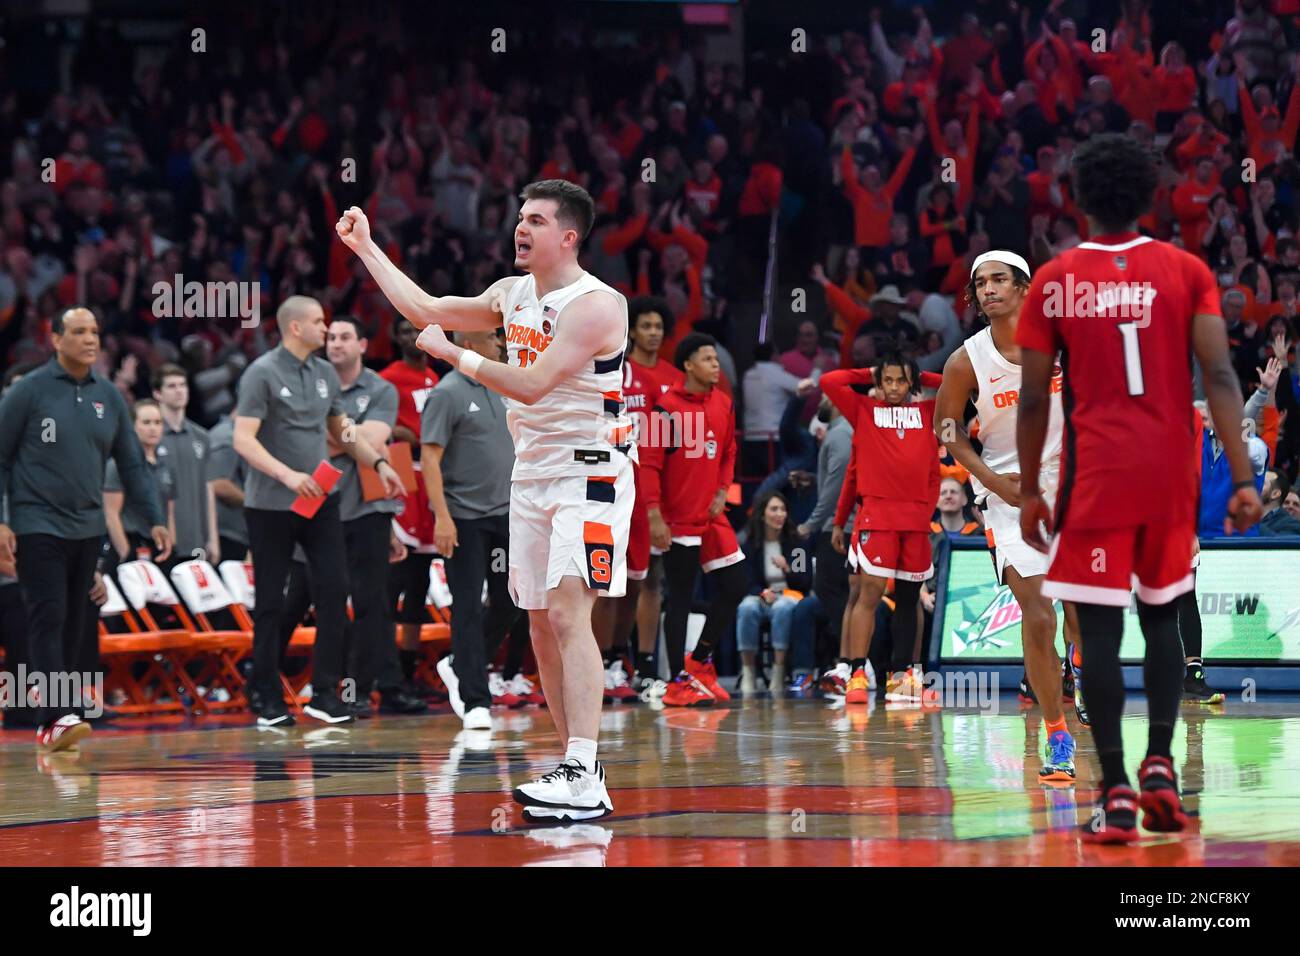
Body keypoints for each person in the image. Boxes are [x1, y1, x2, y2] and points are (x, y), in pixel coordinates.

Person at [339, 179, 629, 823]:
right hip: (532, 472)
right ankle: (575, 769)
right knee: (536, 624)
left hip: (592, 471)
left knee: (565, 612)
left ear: (568, 236)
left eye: (534, 220)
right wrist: (367, 249)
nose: (519, 228)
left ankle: (584, 767)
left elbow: (528, 384)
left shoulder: (597, 305)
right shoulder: (509, 293)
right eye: (518, 217)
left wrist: (455, 358)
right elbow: (424, 308)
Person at [1015, 133, 1262, 844]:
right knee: (1161, 621)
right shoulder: (1185, 269)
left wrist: (1031, 489)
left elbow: (1034, 402)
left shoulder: (1055, 280)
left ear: (1078, 199)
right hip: (1167, 474)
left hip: (1095, 477)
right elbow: (1218, 377)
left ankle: (1114, 788)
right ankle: (1162, 765)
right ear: (1151, 195)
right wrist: (1243, 479)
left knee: (1098, 631)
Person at [934, 249, 1081, 783]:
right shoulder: (965, 361)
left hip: (1073, 482)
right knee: (1038, 614)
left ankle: (1079, 666)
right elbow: (946, 431)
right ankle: (1057, 735)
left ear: (1024, 289)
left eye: (1000, 280)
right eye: (980, 283)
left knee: (1080, 608)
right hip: (1008, 492)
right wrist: (994, 483)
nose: (989, 289)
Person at [0, 307, 172, 751]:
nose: (90, 340)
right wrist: (3, 518)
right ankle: (53, 716)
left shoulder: (110, 397)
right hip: (36, 521)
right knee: (48, 614)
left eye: (94, 332)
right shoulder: (29, 392)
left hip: (87, 524)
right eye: (78, 332)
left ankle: (63, 709)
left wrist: (154, 516)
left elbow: (132, 463)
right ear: (55, 340)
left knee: (77, 620)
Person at [232, 295, 405, 728]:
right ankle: (266, 695)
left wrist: (380, 463)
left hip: (319, 497)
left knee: (334, 590)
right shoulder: (262, 373)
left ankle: (324, 694)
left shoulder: (325, 373)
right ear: (294, 328)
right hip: (272, 503)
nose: (325, 329)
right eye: (317, 322)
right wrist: (288, 475)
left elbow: (343, 431)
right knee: (271, 600)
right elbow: (243, 439)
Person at [820, 352, 941, 705]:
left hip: (916, 521)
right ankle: (857, 672)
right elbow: (830, 381)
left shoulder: (928, 413)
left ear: (911, 384)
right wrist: (872, 369)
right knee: (868, 595)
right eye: (886, 380)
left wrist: (919, 375)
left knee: (908, 600)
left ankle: (903, 679)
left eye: (900, 381)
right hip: (877, 517)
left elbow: (960, 384)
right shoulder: (863, 411)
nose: (892, 387)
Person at [639, 332, 749, 708]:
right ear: (688, 365)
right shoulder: (663, 409)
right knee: (681, 597)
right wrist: (654, 514)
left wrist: (723, 490)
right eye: (707, 358)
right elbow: (649, 466)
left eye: (716, 358)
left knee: (736, 584)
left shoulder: (724, 403)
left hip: (711, 514)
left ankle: (699, 661)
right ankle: (675, 683)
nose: (715, 364)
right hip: (677, 517)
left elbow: (729, 452)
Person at [324, 316, 426, 717]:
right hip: (323, 507)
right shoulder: (313, 385)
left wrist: (334, 438)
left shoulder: (380, 386)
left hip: (371, 506)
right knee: (319, 601)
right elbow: (350, 441)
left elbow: (373, 441)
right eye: (330, 337)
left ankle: (361, 691)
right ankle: (280, 688)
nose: (336, 344)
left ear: (363, 344)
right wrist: (349, 439)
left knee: (373, 603)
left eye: (345, 337)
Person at [421, 328, 522, 729]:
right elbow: (429, 459)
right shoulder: (447, 392)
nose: (500, 344)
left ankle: (460, 662)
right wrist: (441, 517)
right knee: (465, 603)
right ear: (468, 345)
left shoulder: (502, 383)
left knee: (509, 602)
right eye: (491, 339)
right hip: (464, 517)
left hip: (505, 515)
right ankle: (475, 698)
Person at [601, 295, 684, 701]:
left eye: (659, 327)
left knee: (649, 579)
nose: (653, 333)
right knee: (610, 579)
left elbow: (677, 439)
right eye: (646, 325)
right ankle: (602, 663)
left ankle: (640, 664)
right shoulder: (616, 370)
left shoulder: (673, 378)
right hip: (615, 483)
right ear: (632, 330)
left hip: (657, 490)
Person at [735, 491, 812, 694]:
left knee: (783, 607)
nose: (780, 514)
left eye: (783, 509)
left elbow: (804, 582)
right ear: (762, 514)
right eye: (774, 509)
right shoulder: (750, 544)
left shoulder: (797, 543)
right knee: (746, 608)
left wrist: (787, 569)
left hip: (790, 595)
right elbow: (745, 581)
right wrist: (761, 592)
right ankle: (749, 672)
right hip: (762, 596)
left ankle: (778, 672)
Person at [152, 364, 218, 566]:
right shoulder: (150, 436)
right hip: (161, 538)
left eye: (183, 385)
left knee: (197, 597)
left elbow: (208, 488)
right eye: (171, 386)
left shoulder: (202, 436)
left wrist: (213, 538)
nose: (179, 390)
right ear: (157, 394)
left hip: (196, 538)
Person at [103, 399, 177, 569]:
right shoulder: (116, 466)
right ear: (132, 426)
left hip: (160, 545)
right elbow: (111, 515)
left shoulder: (166, 466)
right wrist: (125, 553)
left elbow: (170, 512)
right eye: (146, 422)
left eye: (158, 422)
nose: (153, 428)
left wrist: (171, 545)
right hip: (132, 542)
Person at [1259, 470, 1300, 535]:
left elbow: (1279, 544)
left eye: (1262, 483)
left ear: (1275, 494)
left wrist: (1251, 520)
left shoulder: (1291, 524)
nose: (1254, 486)